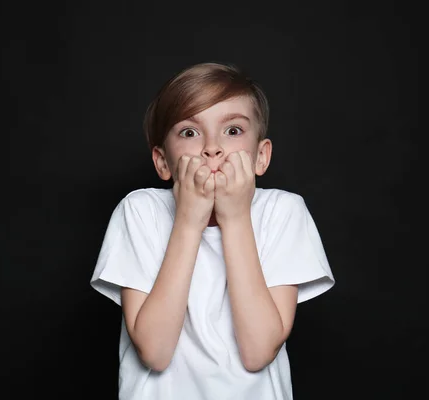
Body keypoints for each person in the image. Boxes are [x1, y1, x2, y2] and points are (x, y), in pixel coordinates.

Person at [90, 62, 335, 399]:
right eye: (189, 132)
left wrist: (234, 218)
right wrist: (189, 220)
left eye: (233, 130)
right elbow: (155, 352)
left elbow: (259, 351)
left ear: (261, 156)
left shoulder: (283, 211)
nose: (212, 147)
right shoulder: (140, 211)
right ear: (163, 162)